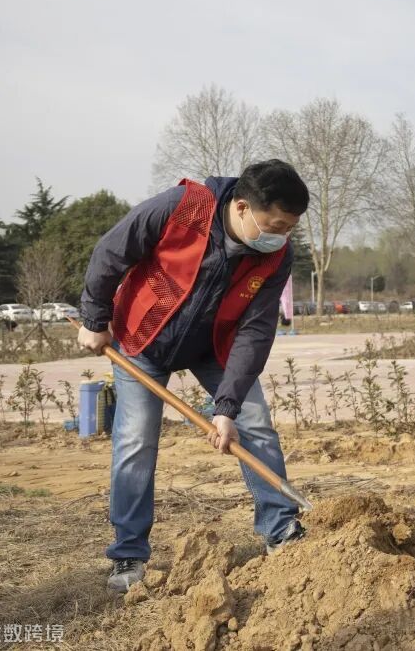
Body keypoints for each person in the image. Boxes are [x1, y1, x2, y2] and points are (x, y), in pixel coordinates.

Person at [77, 160, 310, 592]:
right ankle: (129, 553)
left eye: (290, 228)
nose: (282, 236)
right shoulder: (182, 207)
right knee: (135, 440)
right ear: (242, 207)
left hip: (214, 347)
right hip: (142, 338)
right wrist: (94, 318)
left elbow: (256, 331)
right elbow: (111, 251)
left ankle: (281, 530)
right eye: (276, 225)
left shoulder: (277, 254)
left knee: (254, 421)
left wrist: (227, 407)